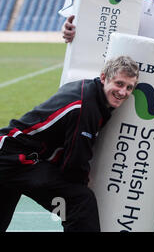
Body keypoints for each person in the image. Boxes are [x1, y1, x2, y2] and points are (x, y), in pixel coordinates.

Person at [0, 56, 139, 232]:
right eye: (119, 84)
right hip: (14, 159)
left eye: (129, 87)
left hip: (13, 155)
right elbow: (74, 163)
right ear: (104, 77)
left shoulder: (89, 92)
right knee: (80, 202)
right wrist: (83, 182)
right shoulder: (86, 107)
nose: (123, 92)